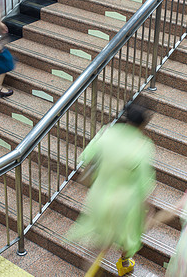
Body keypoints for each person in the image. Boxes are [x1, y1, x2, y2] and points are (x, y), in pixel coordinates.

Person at [68, 104, 155, 276]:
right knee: (129, 236)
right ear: (142, 125)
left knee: (99, 241)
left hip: (100, 196)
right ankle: (124, 262)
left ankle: (88, 271)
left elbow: (87, 157)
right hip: (125, 203)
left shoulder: (107, 132)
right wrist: (148, 210)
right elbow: (145, 184)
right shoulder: (142, 146)